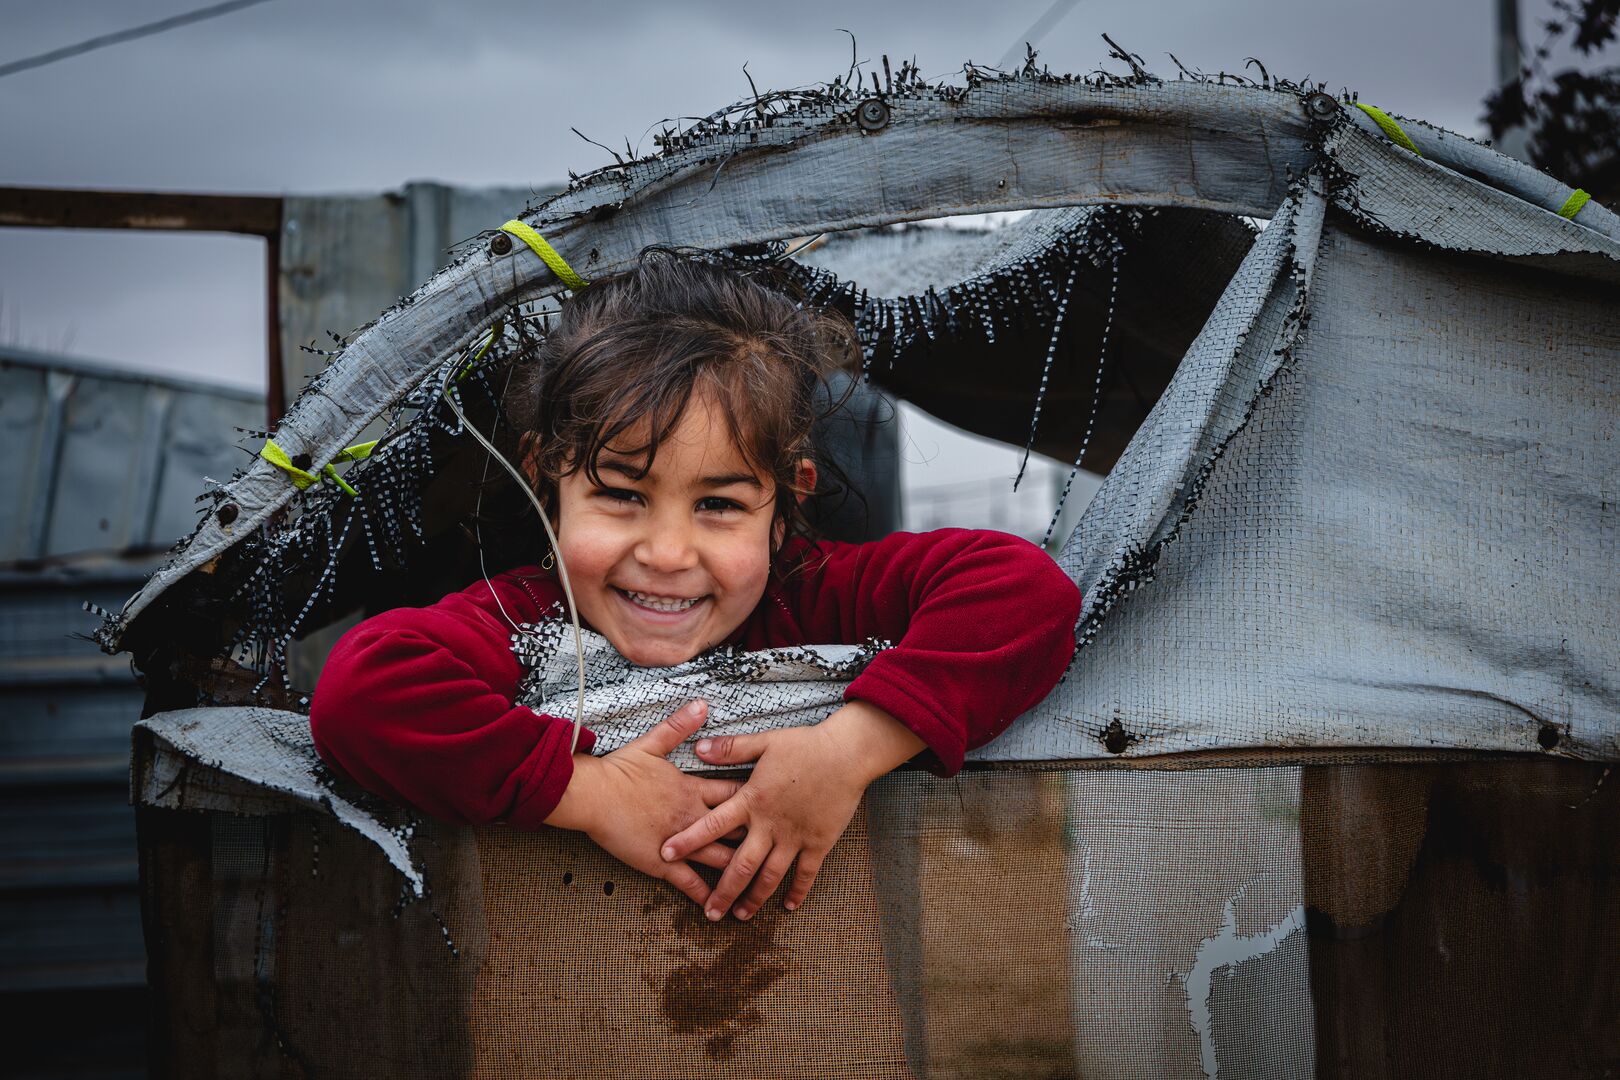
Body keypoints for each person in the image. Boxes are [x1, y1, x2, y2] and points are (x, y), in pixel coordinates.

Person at [310, 253, 1080, 925]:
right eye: (621, 495)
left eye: (718, 504)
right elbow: (362, 691)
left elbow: (1024, 592)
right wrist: (594, 794)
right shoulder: (527, 622)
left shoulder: (816, 597)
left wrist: (847, 752)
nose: (668, 554)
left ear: (787, 500)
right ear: (547, 478)